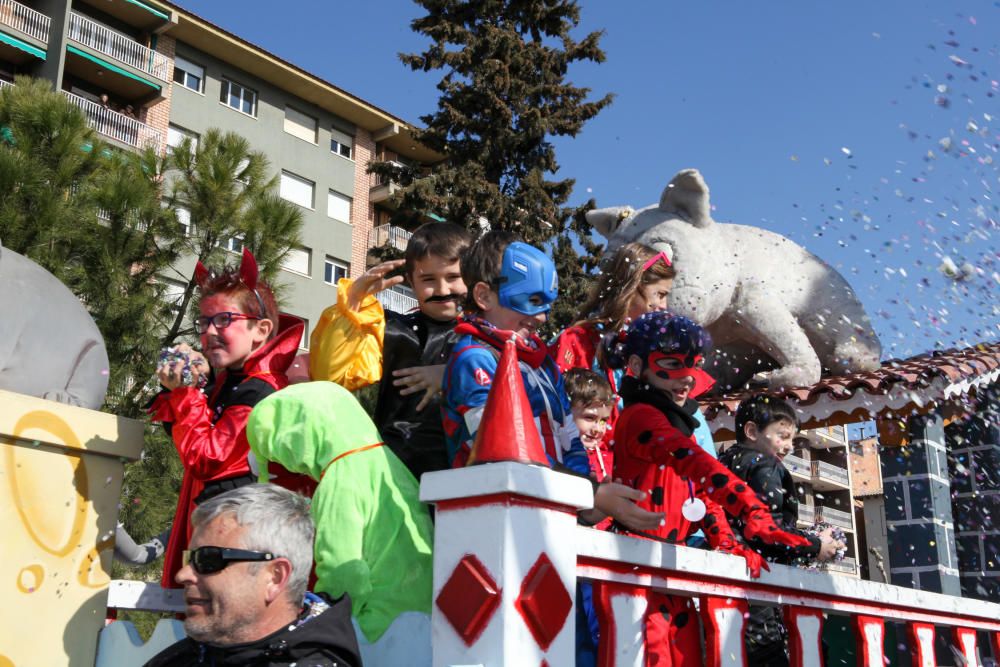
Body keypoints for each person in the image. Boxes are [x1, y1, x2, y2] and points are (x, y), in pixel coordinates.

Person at [598, 311, 813, 666]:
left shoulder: (671, 419)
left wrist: (727, 542)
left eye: (692, 365)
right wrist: (751, 508)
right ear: (637, 364)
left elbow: (698, 495)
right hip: (636, 575)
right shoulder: (641, 417)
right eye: (671, 364)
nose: (686, 378)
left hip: (670, 573)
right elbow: (695, 463)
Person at [441, 230, 663, 530]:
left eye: (546, 304)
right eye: (531, 300)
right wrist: (590, 494)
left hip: (549, 517)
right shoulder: (475, 359)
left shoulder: (543, 365)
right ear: (483, 296)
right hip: (490, 521)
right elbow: (503, 449)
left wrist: (587, 503)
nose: (543, 317)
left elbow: (570, 439)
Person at [149, 249, 312, 588]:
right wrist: (191, 385)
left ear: (261, 330)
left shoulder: (262, 390)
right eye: (204, 322)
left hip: (241, 550)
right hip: (220, 534)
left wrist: (185, 393)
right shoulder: (231, 380)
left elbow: (208, 458)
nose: (209, 332)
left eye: (224, 320)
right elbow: (182, 430)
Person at [247, 381, 434, 643]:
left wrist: (321, 625)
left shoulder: (340, 478)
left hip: (374, 628)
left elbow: (343, 571)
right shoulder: (387, 461)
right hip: (420, 618)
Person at [310, 222, 471, 480]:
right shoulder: (392, 331)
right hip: (394, 471)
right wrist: (351, 309)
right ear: (411, 281)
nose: (442, 290)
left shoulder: (486, 335)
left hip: (464, 477)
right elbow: (332, 376)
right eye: (428, 279)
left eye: (453, 277)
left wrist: (452, 374)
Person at [144, 484, 362, 667]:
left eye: (208, 559)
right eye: (188, 559)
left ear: (274, 577)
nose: (182, 575)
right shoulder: (185, 657)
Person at [720, 394, 845, 666]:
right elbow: (769, 528)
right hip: (759, 579)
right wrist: (816, 545)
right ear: (752, 431)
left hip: (730, 575)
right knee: (771, 653)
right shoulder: (765, 465)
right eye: (782, 436)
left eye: (792, 439)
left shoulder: (724, 462)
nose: (788, 447)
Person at [563, 368, 614, 483]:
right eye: (589, 418)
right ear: (566, 413)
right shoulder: (558, 456)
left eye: (603, 421)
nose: (598, 429)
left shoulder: (609, 459)